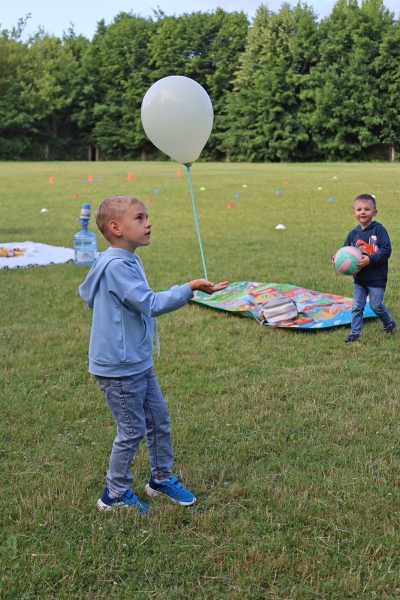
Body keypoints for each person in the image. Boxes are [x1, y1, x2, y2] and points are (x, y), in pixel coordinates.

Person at [79, 194, 228, 513]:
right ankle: (114, 494)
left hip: (136, 360)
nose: (148, 223)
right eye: (140, 218)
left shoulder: (127, 258)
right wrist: (190, 288)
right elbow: (150, 303)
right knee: (132, 429)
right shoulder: (117, 264)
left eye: (147, 217)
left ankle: (160, 478)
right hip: (119, 367)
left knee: (158, 418)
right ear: (116, 227)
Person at [332, 194, 395, 343]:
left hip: (377, 278)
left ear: (375, 212)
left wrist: (370, 259)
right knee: (357, 306)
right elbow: (344, 252)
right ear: (354, 213)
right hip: (360, 279)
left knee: (376, 305)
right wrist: (335, 259)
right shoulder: (353, 234)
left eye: (367, 209)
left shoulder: (379, 230)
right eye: (359, 209)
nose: (363, 212)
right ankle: (355, 332)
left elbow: (386, 250)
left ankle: (389, 323)